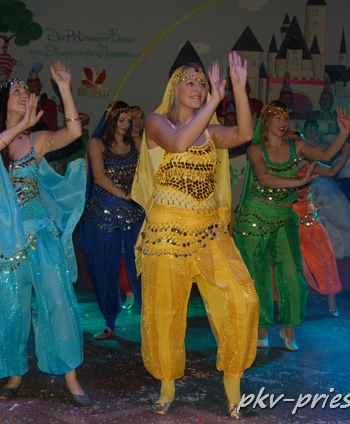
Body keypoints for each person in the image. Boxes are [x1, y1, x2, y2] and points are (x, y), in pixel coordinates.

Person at [132, 50, 259, 419]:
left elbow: (244, 134)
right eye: (190, 81)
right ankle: (167, 384)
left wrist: (238, 90)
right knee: (165, 313)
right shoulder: (156, 122)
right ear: (174, 87)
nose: (199, 87)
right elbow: (177, 143)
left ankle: (232, 382)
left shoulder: (210, 131)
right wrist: (215, 101)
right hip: (166, 233)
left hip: (209, 232)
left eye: (203, 83)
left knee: (243, 297)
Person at [0, 61, 91, 408]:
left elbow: (73, 132)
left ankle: (70, 374)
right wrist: (20, 124)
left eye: (27, 91)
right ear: (1, 101)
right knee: (11, 308)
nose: (25, 95)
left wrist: (64, 87)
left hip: (41, 233)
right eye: (17, 92)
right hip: (4, 240)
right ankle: (14, 374)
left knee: (59, 300)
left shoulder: (35, 140)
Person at [233, 101, 350, 353]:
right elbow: (265, 178)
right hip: (255, 218)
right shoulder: (255, 149)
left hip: (284, 218)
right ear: (266, 120)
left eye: (285, 117)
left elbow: (326, 156)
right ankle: (262, 328)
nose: (282, 122)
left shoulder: (296, 146)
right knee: (259, 277)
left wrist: (343, 133)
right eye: (276, 117)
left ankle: (289, 329)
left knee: (291, 274)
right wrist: (299, 182)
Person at [78, 101, 144, 340]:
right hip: (103, 215)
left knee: (142, 267)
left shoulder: (137, 144)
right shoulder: (97, 143)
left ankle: (149, 319)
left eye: (129, 120)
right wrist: (125, 195)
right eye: (121, 120)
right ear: (111, 119)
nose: (126, 124)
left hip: (133, 215)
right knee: (105, 267)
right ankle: (109, 322)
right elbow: (99, 177)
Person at [291, 129, 350, 316]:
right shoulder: (280, 165)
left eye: (301, 143)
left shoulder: (310, 164)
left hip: (309, 218)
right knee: (289, 262)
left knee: (325, 257)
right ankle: (289, 303)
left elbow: (331, 171)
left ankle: (332, 302)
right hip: (288, 218)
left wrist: (344, 156)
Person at [302, 119, 350, 259]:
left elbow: (330, 167)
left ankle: (345, 247)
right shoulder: (298, 146)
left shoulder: (323, 146)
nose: (311, 129)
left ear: (317, 130)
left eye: (313, 127)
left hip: (321, 178)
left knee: (337, 201)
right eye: (308, 127)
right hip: (303, 182)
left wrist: (344, 156)